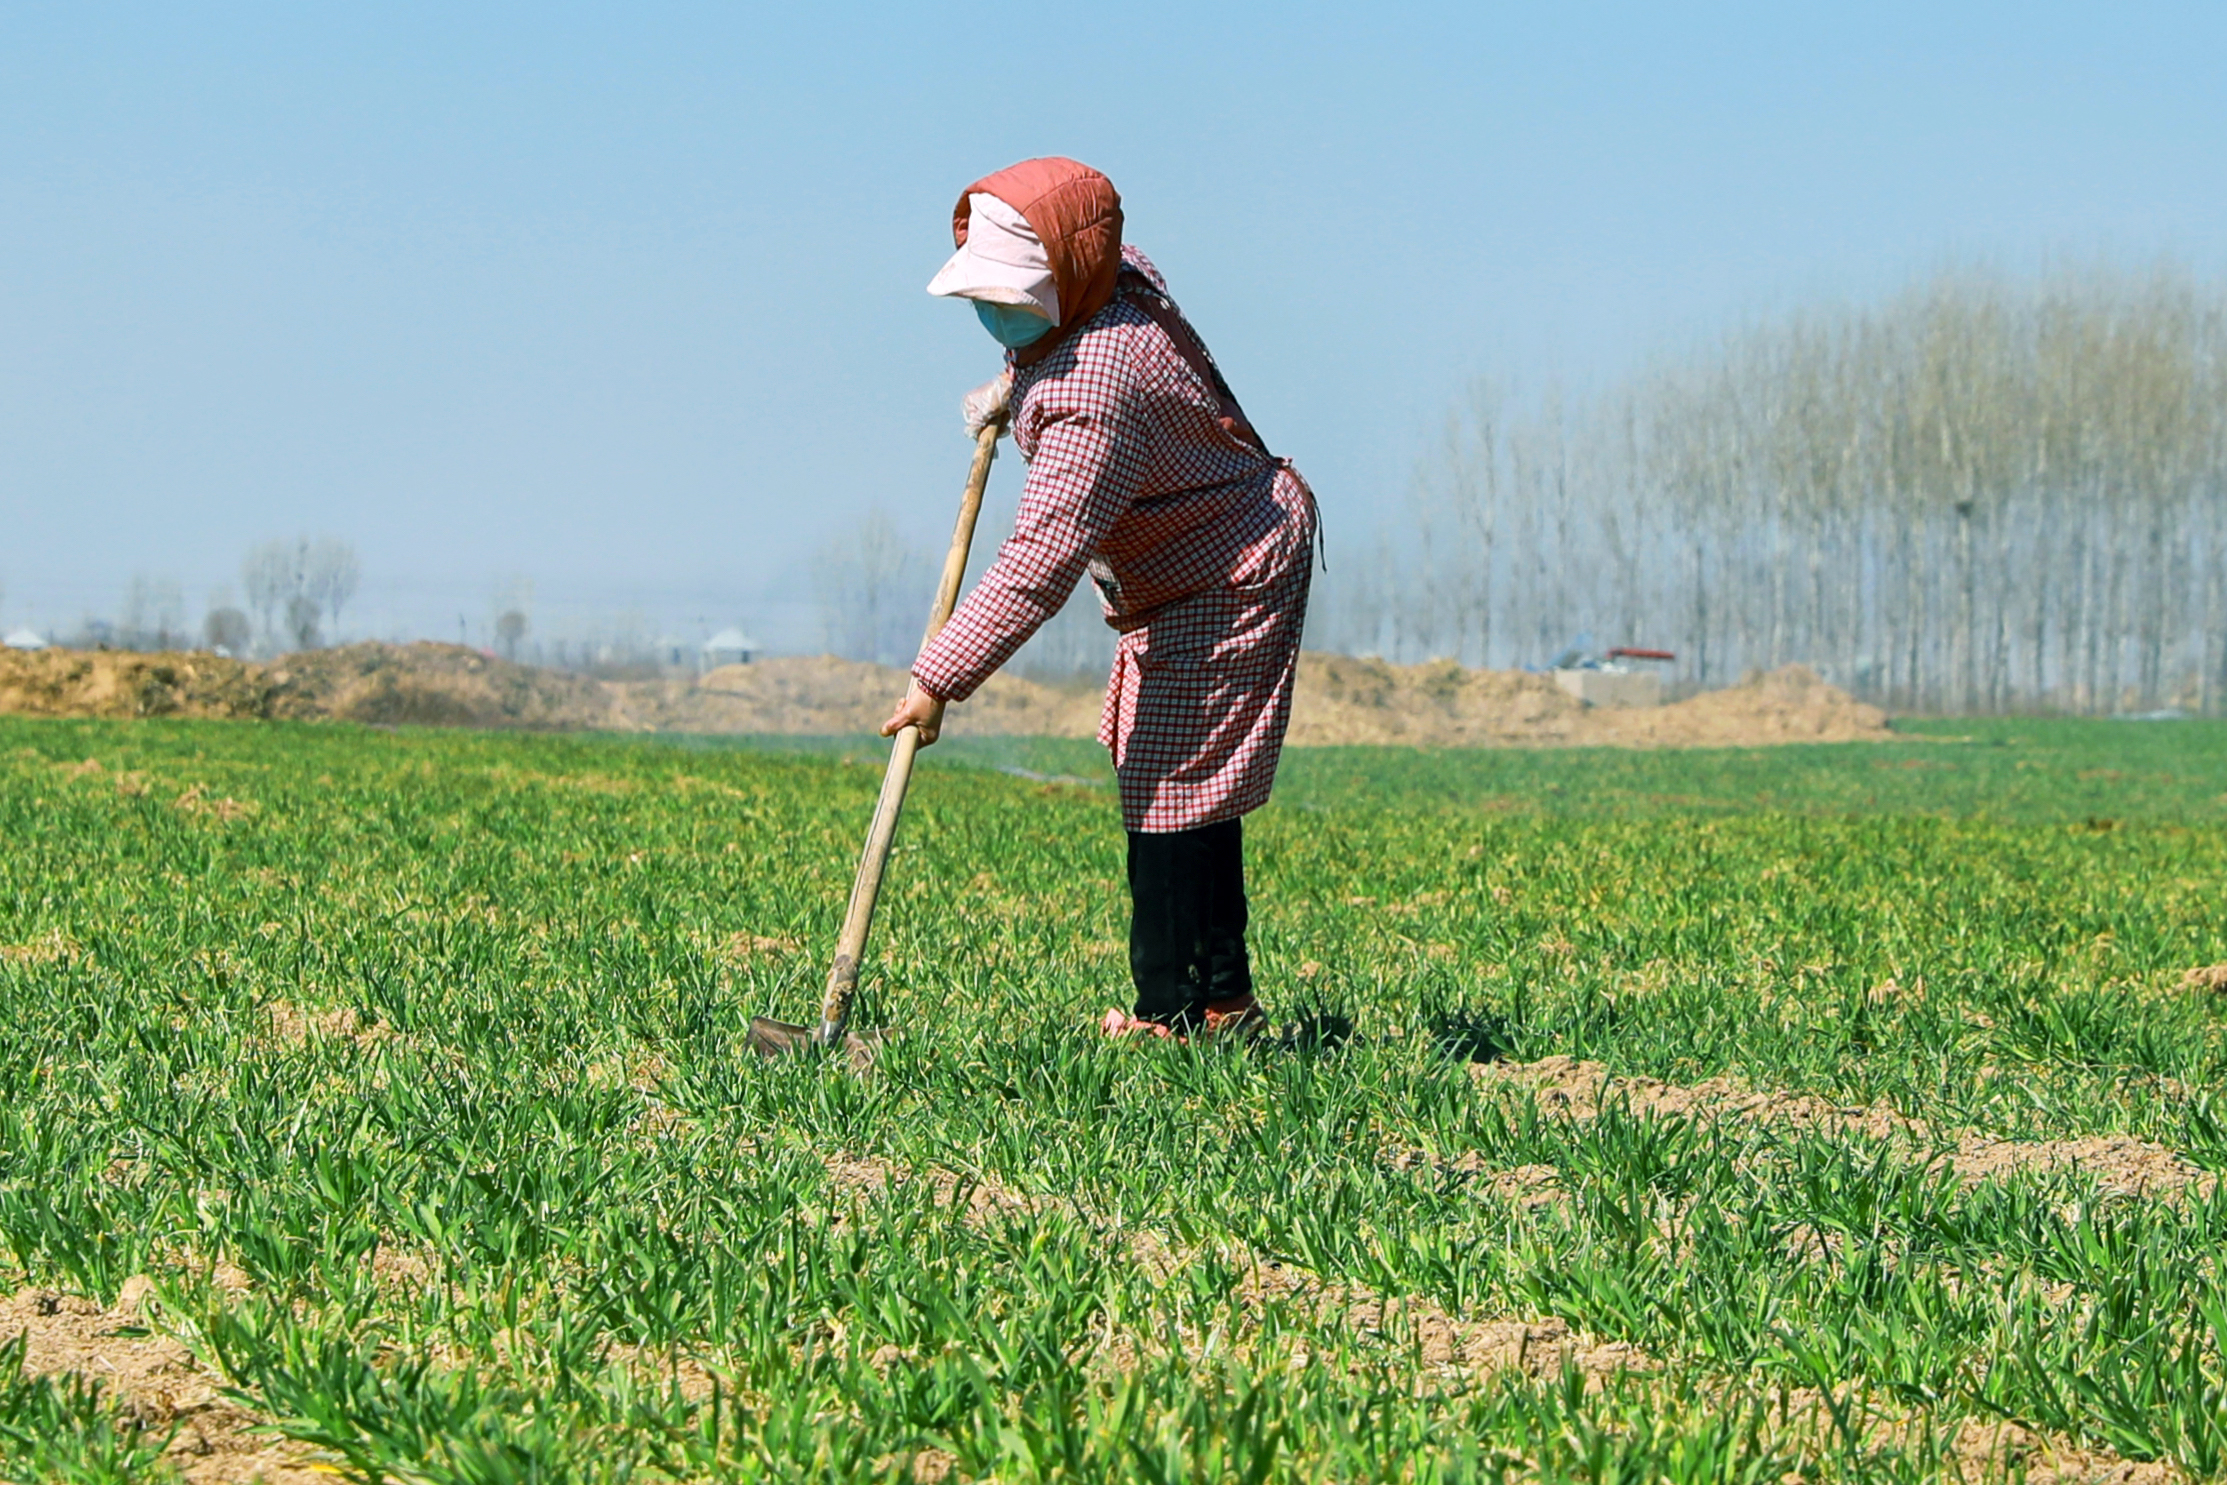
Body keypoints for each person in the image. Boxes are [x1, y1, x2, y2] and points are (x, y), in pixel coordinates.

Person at [882, 156, 1318, 1039]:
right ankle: (1222, 1003)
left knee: (1166, 788)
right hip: (1190, 563)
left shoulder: (1094, 400)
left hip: (1229, 573)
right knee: (1185, 786)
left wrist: (937, 677)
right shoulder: (1107, 280)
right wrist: (1011, 386)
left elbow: (1036, 563)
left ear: (1063, 278)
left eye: (1007, 295)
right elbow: (1060, 334)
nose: (991, 312)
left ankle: (1170, 1014)